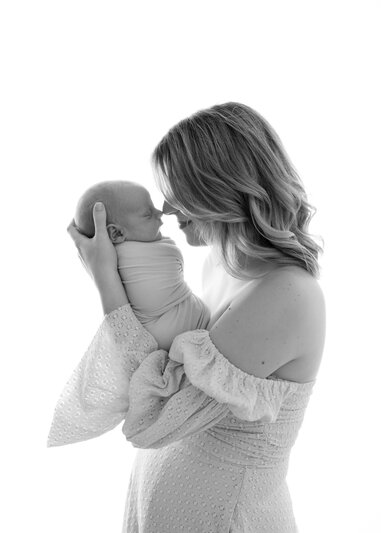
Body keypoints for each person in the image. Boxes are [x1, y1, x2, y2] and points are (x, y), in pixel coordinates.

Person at [47, 102, 326, 533]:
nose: (165, 209)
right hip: (166, 505)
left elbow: (156, 418)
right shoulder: (220, 264)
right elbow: (161, 367)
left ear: (220, 189)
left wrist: (106, 280)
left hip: (228, 516)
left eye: (176, 192)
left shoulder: (287, 293)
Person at [74, 180, 210, 351]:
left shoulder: (109, 262)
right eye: (148, 213)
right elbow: (130, 347)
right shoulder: (130, 258)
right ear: (116, 233)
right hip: (166, 342)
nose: (160, 212)